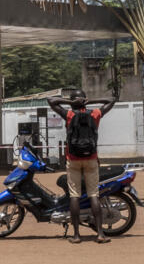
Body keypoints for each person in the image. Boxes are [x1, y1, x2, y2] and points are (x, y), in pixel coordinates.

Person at [48, 90, 116, 244]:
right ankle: (100, 234)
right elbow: (111, 100)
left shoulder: (69, 115)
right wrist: (89, 101)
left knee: (74, 195)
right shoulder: (95, 114)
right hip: (91, 159)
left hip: (73, 159)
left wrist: (71, 104)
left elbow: (50, 100)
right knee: (93, 194)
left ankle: (77, 236)